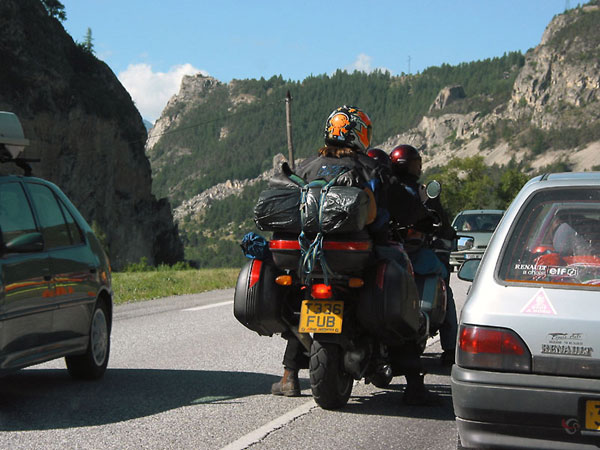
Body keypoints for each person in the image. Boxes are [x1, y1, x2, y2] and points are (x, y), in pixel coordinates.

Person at [272, 107, 439, 405]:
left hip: (312, 253)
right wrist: (419, 213)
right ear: (361, 133)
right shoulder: (370, 168)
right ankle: (414, 383)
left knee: (302, 300)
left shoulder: (308, 166)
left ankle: (289, 375)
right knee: (402, 291)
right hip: (361, 254)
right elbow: (403, 207)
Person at [389, 144, 458, 366]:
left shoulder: (385, 189)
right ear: (412, 166)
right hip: (414, 255)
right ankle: (450, 348)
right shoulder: (420, 192)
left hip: (389, 255)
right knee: (444, 284)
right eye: (416, 163)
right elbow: (439, 221)